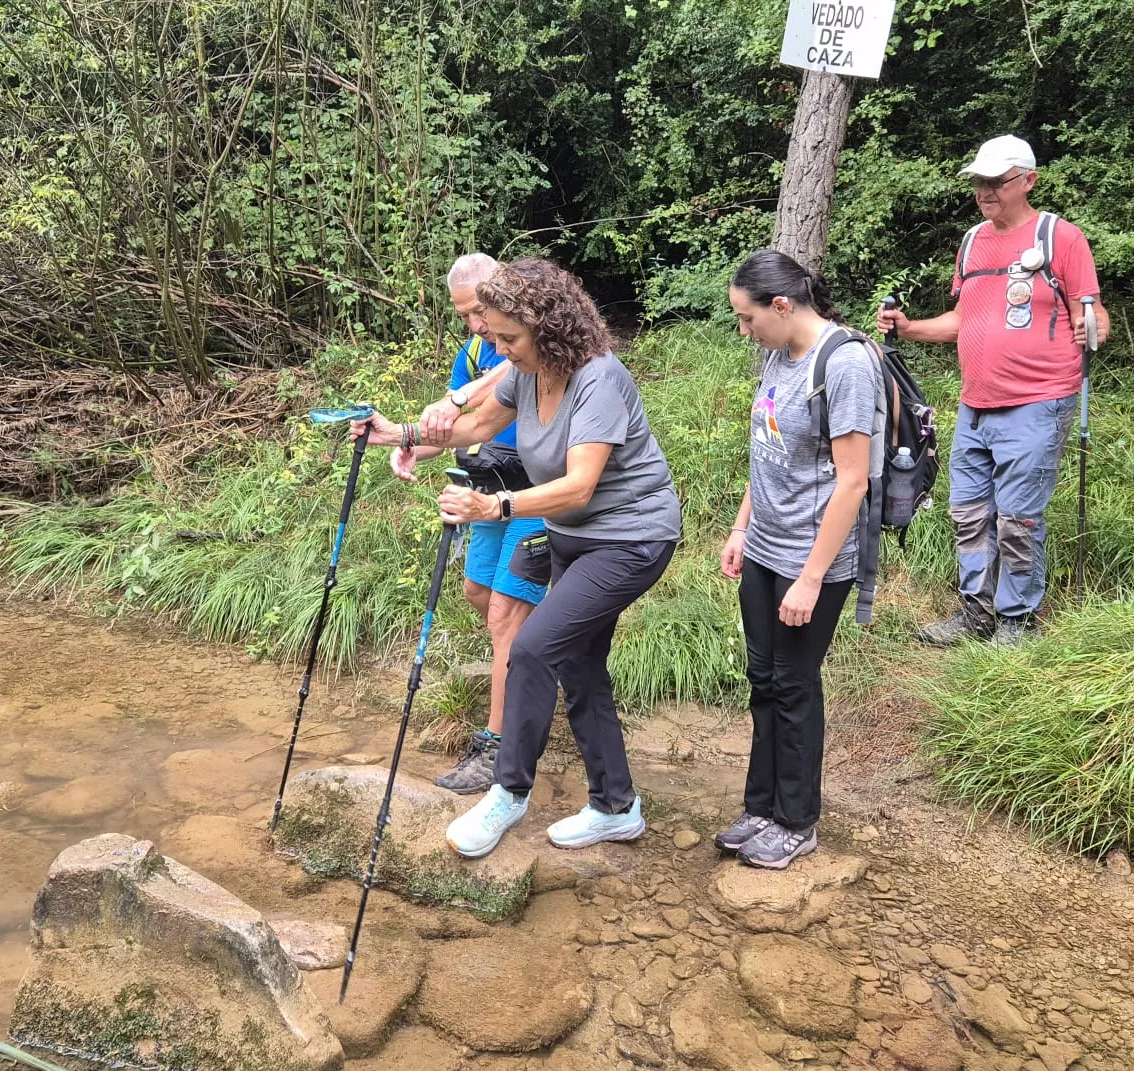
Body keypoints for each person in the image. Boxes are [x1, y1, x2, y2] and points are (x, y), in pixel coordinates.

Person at [361, 258, 681, 858]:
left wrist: (495, 506)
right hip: (574, 537)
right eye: (496, 336)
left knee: (534, 647)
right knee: (581, 666)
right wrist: (397, 434)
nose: (498, 347)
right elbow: (474, 425)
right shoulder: (526, 372)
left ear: (550, 327)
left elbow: (581, 484)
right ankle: (617, 807)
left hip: (631, 538)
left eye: (509, 336)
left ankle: (508, 793)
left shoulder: (599, 379)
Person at [879, 134, 1112, 646]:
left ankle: (1016, 620)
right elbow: (963, 319)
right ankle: (976, 612)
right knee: (968, 514)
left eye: (996, 182)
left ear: (1027, 181)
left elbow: (1093, 318)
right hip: (975, 405)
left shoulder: (1060, 238)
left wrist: (1091, 325)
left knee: (1017, 518)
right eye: (979, 182)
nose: (985, 191)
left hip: (1039, 400)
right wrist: (909, 327)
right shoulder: (971, 242)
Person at [716, 250, 873, 870]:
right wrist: (740, 527)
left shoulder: (847, 363)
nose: (743, 330)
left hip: (813, 560)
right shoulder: (779, 358)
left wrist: (810, 579)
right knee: (763, 681)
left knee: (794, 685)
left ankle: (797, 820)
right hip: (763, 548)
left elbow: (853, 480)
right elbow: (769, 450)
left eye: (747, 318)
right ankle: (761, 807)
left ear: (782, 306)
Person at [385, 254, 547, 794]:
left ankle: (498, 748)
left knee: (505, 615)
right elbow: (462, 426)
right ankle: (537, 659)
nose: (477, 326)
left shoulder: (529, 343)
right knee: (479, 591)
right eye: (467, 317)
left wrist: (451, 400)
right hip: (487, 484)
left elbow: (499, 381)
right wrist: (409, 444)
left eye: (480, 311)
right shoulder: (475, 350)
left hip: (537, 490)